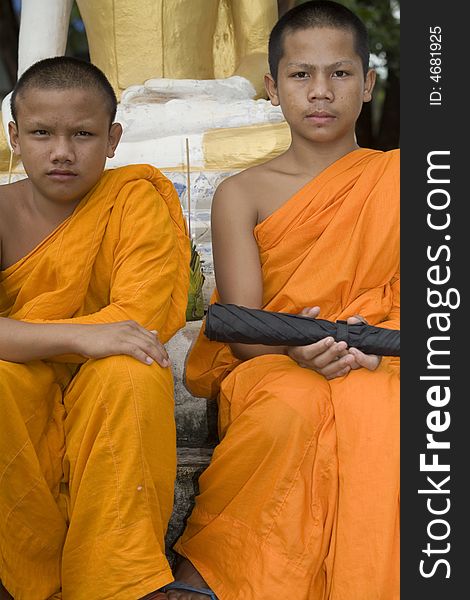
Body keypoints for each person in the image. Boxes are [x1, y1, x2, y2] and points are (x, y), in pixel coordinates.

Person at [164, 1, 400, 599]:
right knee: (289, 409)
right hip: (274, 362)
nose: (321, 91)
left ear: (367, 84)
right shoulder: (240, 193)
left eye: (340, 73)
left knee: (392, 415)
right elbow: (242, 324)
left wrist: (376, 348)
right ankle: (216, 573)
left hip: (387, 357)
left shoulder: (404, 181)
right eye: (301, 75)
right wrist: (299, 351)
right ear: (273, 87)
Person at [0, 56, 190, 600]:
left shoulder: (133, 200)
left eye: (82, 134)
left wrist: (67, 339)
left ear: (112, 139)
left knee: (131, 374)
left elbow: (139, 322)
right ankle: (27, 579)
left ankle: (120, 580)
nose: (62, 151)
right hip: (24, 371)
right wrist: (78, 335)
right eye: (41, 133)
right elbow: (106, 329)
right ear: (15, 137)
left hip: (101, 373)